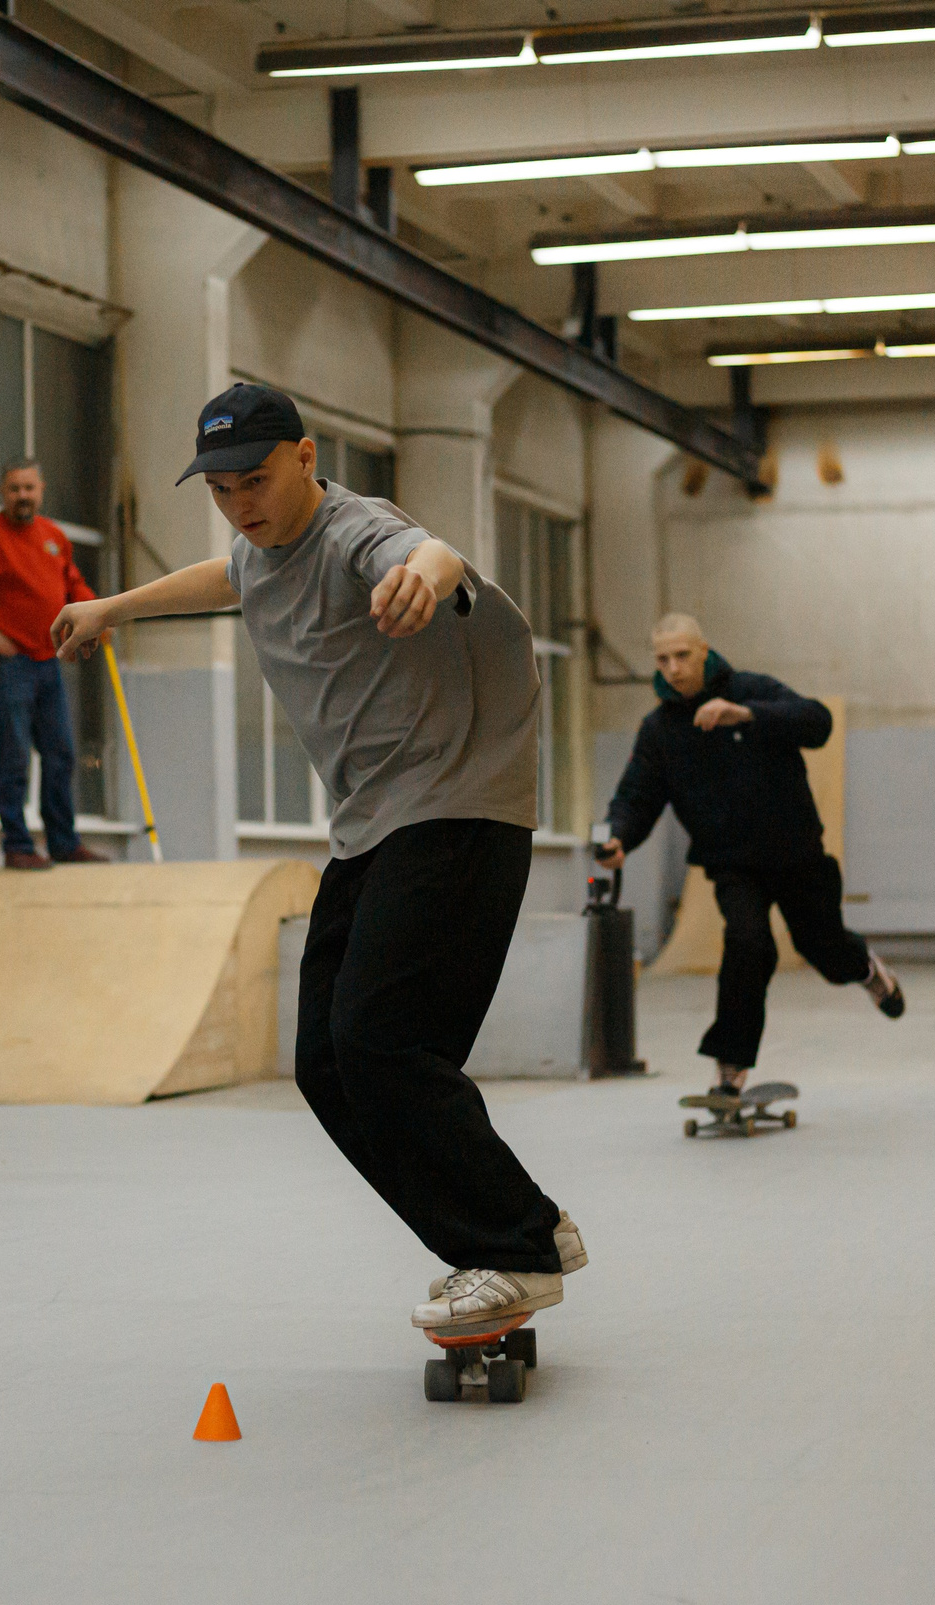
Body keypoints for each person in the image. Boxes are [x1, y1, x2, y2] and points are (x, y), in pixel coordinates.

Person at [48, 383, 585, 1333]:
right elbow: (227, 580)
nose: (241, 504)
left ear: (304, 456)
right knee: (325, 1063)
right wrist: (112, 607)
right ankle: (506, 1235)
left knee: (383, 1039)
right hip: (376, 823)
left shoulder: (352, 530)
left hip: (456, 806)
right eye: (220, 490)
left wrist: (423, 570)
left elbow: (431, 549)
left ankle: (516, 1242)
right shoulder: (260, 551)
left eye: (256, 480)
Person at [598, 612, 903, 1101]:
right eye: (662, 659)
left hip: (797, 852)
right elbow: (636, 794)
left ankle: (866, 969)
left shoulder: (752, 689)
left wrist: (750, 715)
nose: (673, 668)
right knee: (747, 944)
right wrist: (618, 838)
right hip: (732, 863)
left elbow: (817, 723)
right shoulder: (660, 730)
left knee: (822, 948)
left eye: (682, 656)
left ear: (703, 651)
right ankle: (730, 1067)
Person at [0, 458, 110, 870]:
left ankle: (64, 842)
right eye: (14, 488)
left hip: (50, 659)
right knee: (14, 752)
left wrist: (100, 613)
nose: (22, 496)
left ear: (41, 490)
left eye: (29, 488)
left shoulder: (53, 537)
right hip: (9, 663)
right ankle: (18, 846)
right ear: (2, 492)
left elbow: (73, 585)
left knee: (61, 752)